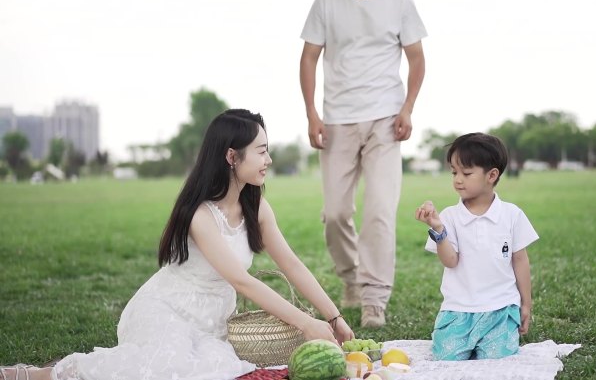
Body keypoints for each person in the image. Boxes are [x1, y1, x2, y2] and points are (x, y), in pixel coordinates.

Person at [1, 109, 354, 380]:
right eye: (261, 151)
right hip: (165, 310)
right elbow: (242, 281)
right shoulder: (200, 214)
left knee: (213, 368)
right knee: (164, 368)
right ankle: (44, 373)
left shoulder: (257, 206)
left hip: (213, 323)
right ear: (232, 157)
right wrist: (306, 325)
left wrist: (332, 316)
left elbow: (290, 264)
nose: (268, 160)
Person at [299, 0, 427, 328]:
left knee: (379, 211)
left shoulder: (399, 1)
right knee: (336, 213)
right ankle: (350, 278)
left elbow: (416, 58)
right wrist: (312, 114)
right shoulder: (326, 2)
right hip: (337, 120)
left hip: (386, 119)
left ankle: (374, 299)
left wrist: (407, 108)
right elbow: (309, 57)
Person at [414, 132, 539, 360]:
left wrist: (526, 304)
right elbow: (450, 261)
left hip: (500, 309)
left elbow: (520, 260)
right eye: (454, 172)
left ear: (492, 175)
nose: (457, 179)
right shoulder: (449, 216)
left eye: (466, 173)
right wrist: (439, 230)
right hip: (458, 309)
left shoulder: (511, 215)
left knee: (497, 362)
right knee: (446, 361)